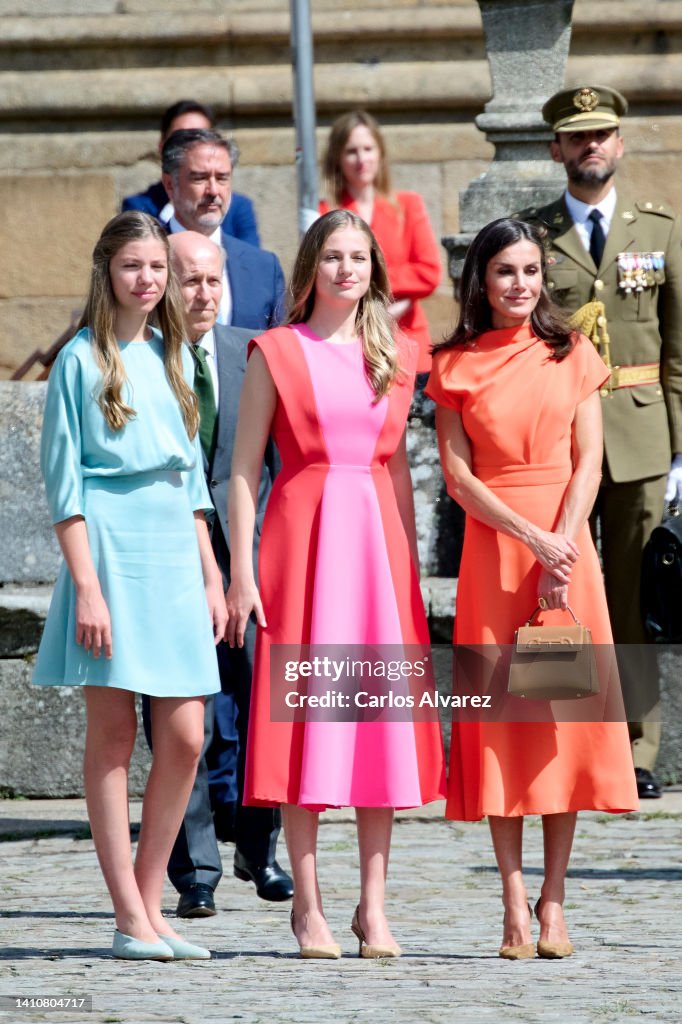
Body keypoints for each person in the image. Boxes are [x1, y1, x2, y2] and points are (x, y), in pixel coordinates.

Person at [226, 209, 446, 959]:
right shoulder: (276, 352)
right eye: (334, 257)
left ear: (374, 270)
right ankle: (309, 907)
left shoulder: (400, 352)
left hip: (378, 554)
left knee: (378, 734)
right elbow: (243, 473)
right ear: (311, 268)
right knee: (308, 729)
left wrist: (410, 565)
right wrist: (241, 572)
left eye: (359, 258)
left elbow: (396, 472)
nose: (347, 269)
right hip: (302, 547)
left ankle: (373, 907)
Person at [426, 217, 638, 959]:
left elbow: (590, 461)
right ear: (481, 281)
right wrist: (531, 538)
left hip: (566, 556)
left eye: (530, 270)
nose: (521, 284)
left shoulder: (573, 351)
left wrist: (562, 545)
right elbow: (458, 477)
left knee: (559, 729)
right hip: (498, 555)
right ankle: (513, 905)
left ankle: (554, 903)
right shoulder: (452, 364)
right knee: (504, 729)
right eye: (505, 272)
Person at [33, 211, 227, 961]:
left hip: (175, 558)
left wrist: (212, 574)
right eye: (132, 266)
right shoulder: (80, 360)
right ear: (107, 271)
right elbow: (65, 487)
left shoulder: (173, 354)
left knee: (187, 734)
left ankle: (147, 904)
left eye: (156, 267)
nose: (147, 279)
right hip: (110, 555)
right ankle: (126, 912)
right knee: (114, 737)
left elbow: (192, 483)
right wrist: (87, 587)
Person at [517, 86, 682, 799]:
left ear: (619, 143)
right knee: (551, 587)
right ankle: (553, 732)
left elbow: (678, 350)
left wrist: (681, 451)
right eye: (577, 136)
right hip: (553, 444)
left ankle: (636, 749)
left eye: (603, 134)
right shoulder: (531, 234)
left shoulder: (660, 229)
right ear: (556, 148)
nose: (592, 146)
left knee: (631, 591)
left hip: (641, 434)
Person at [141, 231, 292, 920]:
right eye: (188, 280)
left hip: (253, 562)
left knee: (267, 705)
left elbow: (276, 467)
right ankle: (193, 868)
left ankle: (260, 848)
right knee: (182, 720)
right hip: (166, 564)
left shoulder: (249, 354)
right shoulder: (138, 362)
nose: (203, 294)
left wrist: (263, 564)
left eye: (212, 280)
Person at [320, 110, 441, 374]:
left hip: (406, 338)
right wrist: (398, 288)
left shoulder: (408, 205)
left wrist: (365, 276)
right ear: (338, 158)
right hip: (350, 340)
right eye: (352, 151)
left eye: (368, 149)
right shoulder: (325, 213)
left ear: (380, 153)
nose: (361, 159)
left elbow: (429, 272)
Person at [160, 128, 284, 330]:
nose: (214, 191)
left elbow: (278, 348)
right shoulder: (146, 259)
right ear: (170, 185)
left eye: (222, 178)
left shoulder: (263, 267)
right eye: (199, 178)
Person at [122, 99, 260, 247]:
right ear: (162, 146)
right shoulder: (140, 206)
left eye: (202, 136)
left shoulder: (238, 207)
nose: (213, 191)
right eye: (199, 178)